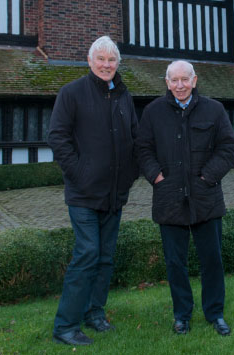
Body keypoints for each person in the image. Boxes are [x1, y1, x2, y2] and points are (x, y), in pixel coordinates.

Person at [47, 36, 139, 346]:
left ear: (118, 64)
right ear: (89, 62)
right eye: (100, 59)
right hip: (83, 195)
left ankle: (94, 314)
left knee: (105, 257)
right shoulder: (71, 93)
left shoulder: (124, 96)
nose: (106, 64)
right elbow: (57, 137)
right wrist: (79, 174)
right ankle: (65, 326)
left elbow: (136, 139)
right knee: (87, 254)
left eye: (111, 60)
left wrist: (129, 176)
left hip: (114, 195)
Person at [136, 60, 234, 336]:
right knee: (175, 263)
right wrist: (157, 177)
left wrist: (207, 177)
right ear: (167, 83)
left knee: (212, 261)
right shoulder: (153, 112)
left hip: (206, 198)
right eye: (174, 80)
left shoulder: (214, 110)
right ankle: (182, 315)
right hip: (169, 200)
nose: (180, 85)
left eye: (185, 79)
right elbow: (143, 149)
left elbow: (228, 148)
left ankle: (215, 313)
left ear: (194, 80)